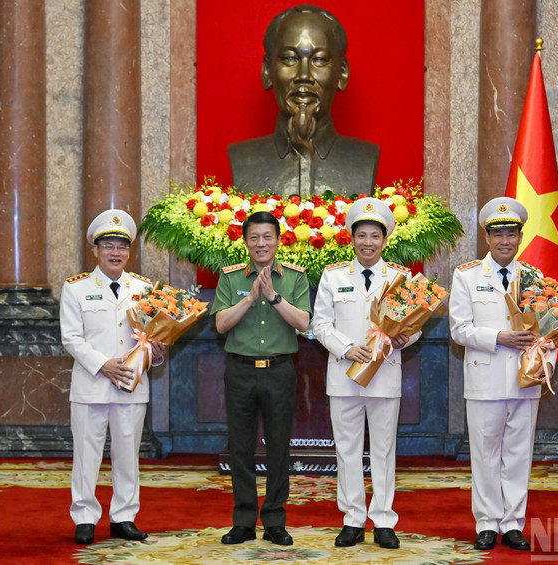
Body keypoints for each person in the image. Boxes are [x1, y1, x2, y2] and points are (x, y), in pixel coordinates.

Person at [448, 197, 557, 551]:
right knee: (484, 454)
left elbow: (550, 334)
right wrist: (499, 338)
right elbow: (459, 330)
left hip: (525, 381)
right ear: (487, 238)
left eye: (512, 234)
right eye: (498, 235)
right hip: (484, 378)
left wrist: (547, 365)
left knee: (518, 454)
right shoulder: (466, 275)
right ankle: (486, 523)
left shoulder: (536, 278)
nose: (505, 241)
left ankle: (512, 523)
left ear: (521, 237)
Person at [312, 198, 420, 549]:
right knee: (347, 450)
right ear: (352, 238)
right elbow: (321, 324)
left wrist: (407, 336)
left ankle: (384, 519)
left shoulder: (400, 277)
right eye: (362, 235)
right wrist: (346, 348)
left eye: (375, 236)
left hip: (384, 375)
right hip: (344, 373)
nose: (368, 242)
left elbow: (413, 323)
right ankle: (353, 518)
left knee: (384, 450)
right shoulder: (333, 275)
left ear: (385, 240)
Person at [60, 209, 166, 545]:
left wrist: (159, 351)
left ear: (130, 251)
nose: (115, 252)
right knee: (86, 455)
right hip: (91, 384)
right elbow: (71, 338)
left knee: (127, 454)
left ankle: (124, 516)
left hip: (131, 387)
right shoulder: (75, 288)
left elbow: (153, 336)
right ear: (95, 250)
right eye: (108, 245)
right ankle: (85, 517)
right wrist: (103, 364)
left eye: (122, 245)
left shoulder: (145, 288)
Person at [211, 211, 312, 546]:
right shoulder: (231, 277)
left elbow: (303, 323)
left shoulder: (295, 277)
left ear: (279, 240)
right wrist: (252, 297)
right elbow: (221, 325)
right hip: (239, 371)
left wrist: (272, 296)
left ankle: (274, 520)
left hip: (280, 371)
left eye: (267, 237)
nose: (261, 244)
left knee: (278, 447)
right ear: (245, 241)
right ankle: (243, 521)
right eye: (254, 237)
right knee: (240, 447)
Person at [228, 4, 379, 197]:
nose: (304, 75)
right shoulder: (243, 159)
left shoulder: (365, 159)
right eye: (290, 59)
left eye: (319, 60)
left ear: (342, 73)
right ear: (267, 71)